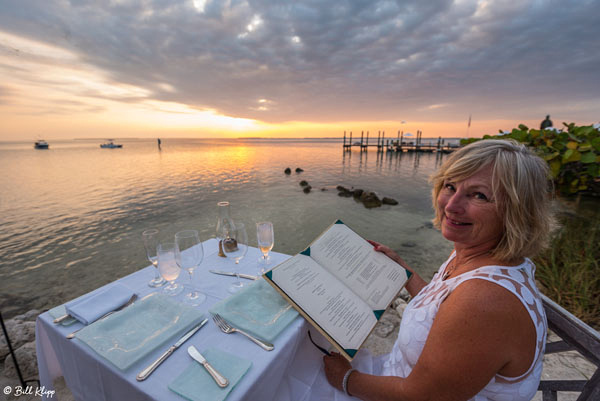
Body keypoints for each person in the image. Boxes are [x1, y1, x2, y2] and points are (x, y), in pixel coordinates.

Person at [309, 139, 555, 401]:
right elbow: (446, 309)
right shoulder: (476, 257)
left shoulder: (485, 299)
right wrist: (403, 269)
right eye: (450, 186)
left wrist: (346, 379)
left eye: (479, 195)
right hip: (401, 377)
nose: (451, 206)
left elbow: (423, 396)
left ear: (516, 212)